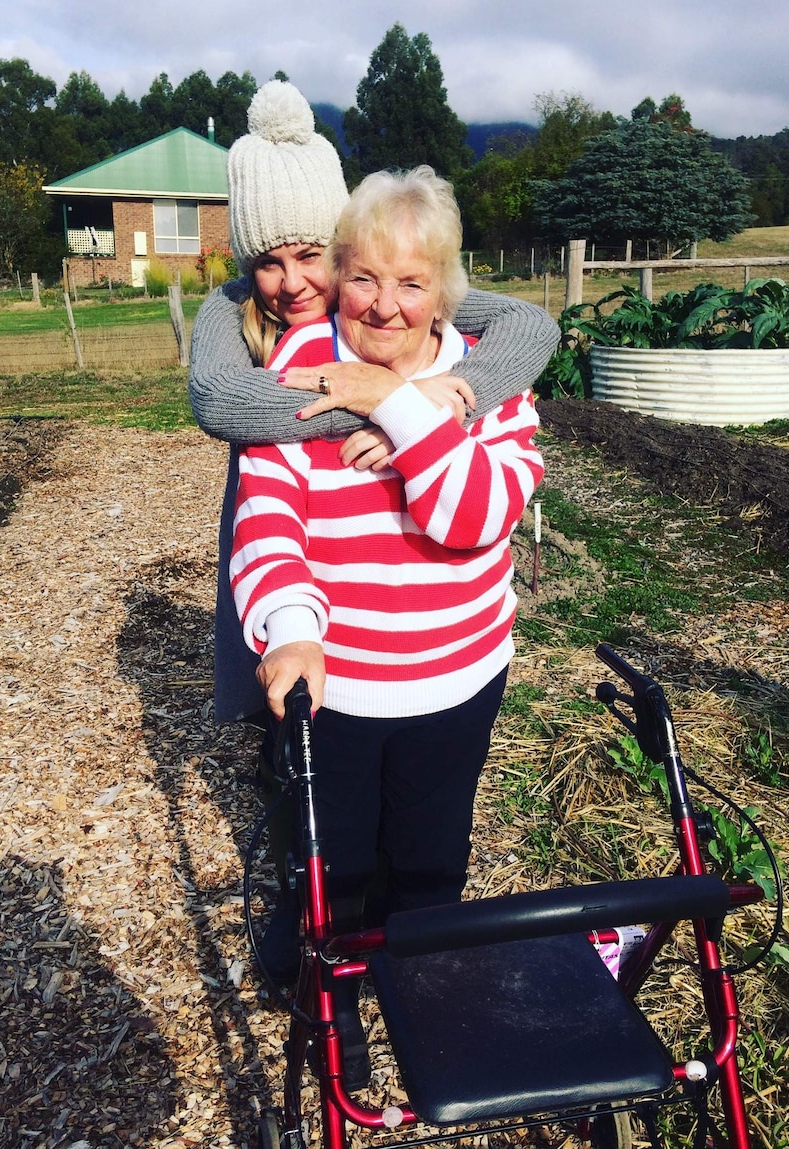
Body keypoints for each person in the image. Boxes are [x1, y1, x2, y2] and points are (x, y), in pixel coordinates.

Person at [229, 165, 547, 1087]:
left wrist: (397, 405)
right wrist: (291, 626)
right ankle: (328, 1000)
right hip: (342, 680)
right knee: (335, 860)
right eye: (365, 276)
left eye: (412, 283)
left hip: (456, 672)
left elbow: (470, 515)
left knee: (432, 856)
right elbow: (269, 513)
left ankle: (421, 987)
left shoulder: (490, 377)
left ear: (444, 291)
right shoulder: (296, 370)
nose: (385, 304)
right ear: (340, 273)